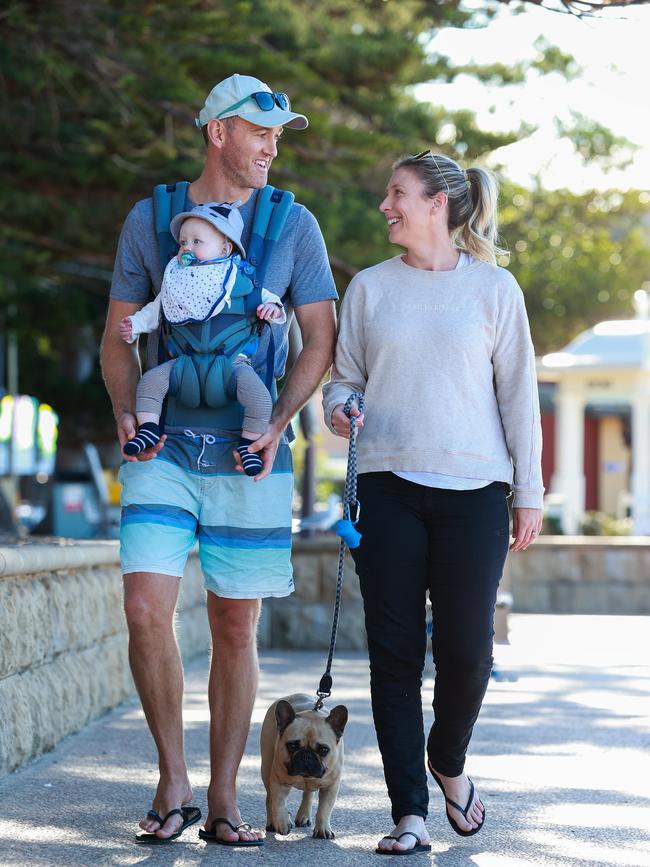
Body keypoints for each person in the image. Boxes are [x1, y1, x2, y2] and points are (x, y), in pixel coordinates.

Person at [100, 73, 337, 845]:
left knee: (235, 625)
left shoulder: (292, 223)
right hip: (163, 448)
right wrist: (129, 412)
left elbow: (320, 340)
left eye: (278, 135)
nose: (272, 147)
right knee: (144, 610)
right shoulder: (153, 218)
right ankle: (173, 778)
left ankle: (229, 793)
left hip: (246, 455)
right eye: (260, 132)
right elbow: (120, 333)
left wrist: (279, 424)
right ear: (217, 133)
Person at [322, 150, 543, 855]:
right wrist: (341, 407)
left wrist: (528, 490)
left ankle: (447, 760)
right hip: (386, 487)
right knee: (391, 656)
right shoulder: (370, 289)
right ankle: (409, 811)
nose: (385, 205)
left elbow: (520, 398)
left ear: (438, 204)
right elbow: (345, 378)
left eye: (398, 193)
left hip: (475, 495)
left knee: (467, 653)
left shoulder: (495, 290)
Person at [118, 200, 286, 476]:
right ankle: (148, 428)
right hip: (185, 364)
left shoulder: (238, 279)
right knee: (150, 382)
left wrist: (272, 310)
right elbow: (156, 310)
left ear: (225, 248)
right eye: (183, 242)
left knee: (260, 399)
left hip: (232, 365)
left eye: (197, 241)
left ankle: (248, 445)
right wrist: (135, 324)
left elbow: (271, 302)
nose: (187, 248)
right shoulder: (177, 281)